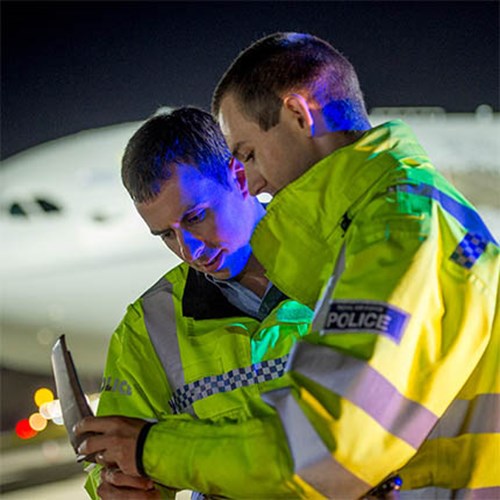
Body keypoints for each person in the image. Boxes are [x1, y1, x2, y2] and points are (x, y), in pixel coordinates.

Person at [212, 32, 500, 498]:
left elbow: (323, 443)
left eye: (247, 153)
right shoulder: (404, 212)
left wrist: (149, 449)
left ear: (298, 114)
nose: (250, 184)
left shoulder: (396, 227)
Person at [76, 107, 314, 499]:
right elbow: (114, 462)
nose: (189, 250)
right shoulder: (149, 326)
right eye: (166, 236)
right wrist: (116, 488)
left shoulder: (343, 263)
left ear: (239, 177)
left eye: (197, 217)